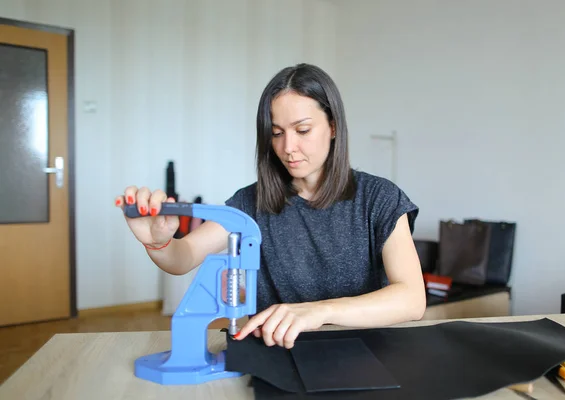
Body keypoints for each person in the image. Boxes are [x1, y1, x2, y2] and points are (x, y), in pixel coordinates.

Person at [114, 63, 426, 349]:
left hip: (363, 355)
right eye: (277, 133)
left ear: (332, 127)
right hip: (277, 355)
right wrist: (158, 242)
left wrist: (318, 311)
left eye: (302, 130)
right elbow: (182, 258)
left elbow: (412, 299)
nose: (288, 147)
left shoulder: (379, 198)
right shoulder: (251, 203)